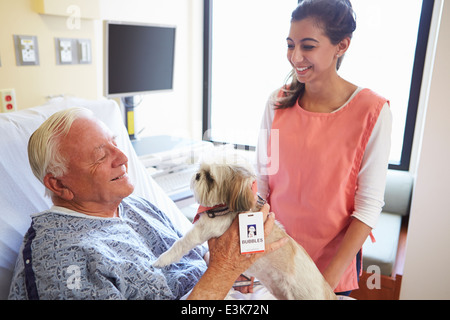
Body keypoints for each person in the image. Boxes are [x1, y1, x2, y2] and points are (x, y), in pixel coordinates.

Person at [9, 107, 285, 300]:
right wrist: (223, 269)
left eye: (115, 144)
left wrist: (235, 269)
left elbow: (194, 260)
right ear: (58, 185)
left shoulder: (137, 206)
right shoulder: (60, 257)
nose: (123, 158)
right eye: (100, 155)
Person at [256, 0, 392, 295]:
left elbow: (367, 208)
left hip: (331, 266)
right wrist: (246, 256)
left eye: (308, 46)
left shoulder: (372, 112)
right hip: (274, 258)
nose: (295, 57)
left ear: (341, 46)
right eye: (290, 45)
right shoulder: (276, 103)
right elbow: (262, 187)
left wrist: (322, 285)